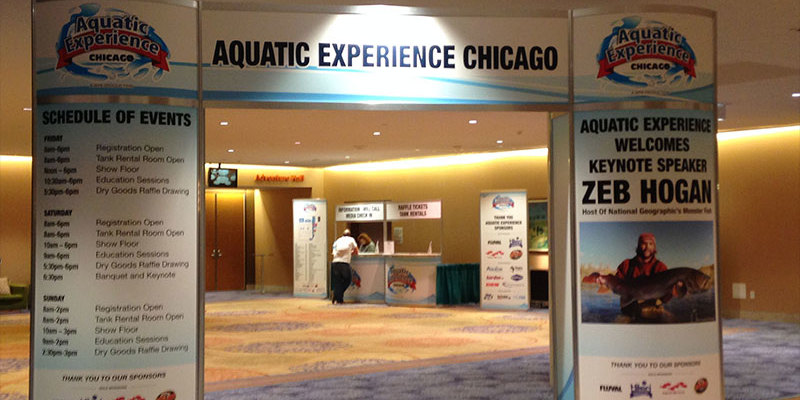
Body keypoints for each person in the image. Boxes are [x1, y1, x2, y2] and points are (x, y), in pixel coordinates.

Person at [614, 233, 676, 320]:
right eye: (644, 243)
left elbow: (665, 298)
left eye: (650, 244)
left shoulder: (661, 267)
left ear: (654, 247)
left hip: (653, 310)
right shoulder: (626, 264)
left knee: (673, 321)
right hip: (629, 312)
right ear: (638, 246)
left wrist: (674, 291)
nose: (647, 247)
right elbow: (615, 285)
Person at [331, 229, 358, 305]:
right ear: (349, 234)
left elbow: (333, 252)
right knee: (347, 280)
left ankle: (338, 298)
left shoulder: (337, 240)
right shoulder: (351, 239)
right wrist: (350, 253)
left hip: (335, 262)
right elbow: (356, 250)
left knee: (338, 282)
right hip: (344, 262)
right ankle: (337, 296)